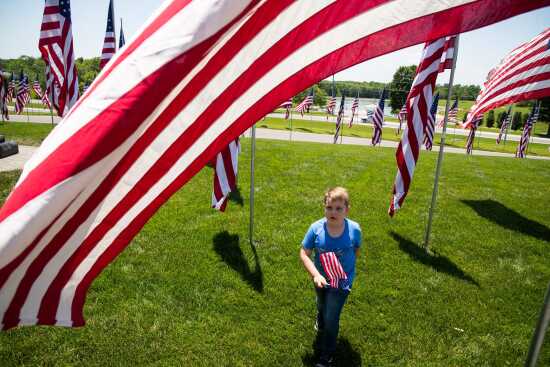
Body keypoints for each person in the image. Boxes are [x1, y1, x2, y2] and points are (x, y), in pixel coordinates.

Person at [300, 187, 362, 367]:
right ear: (324, 208)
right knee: (321, 303)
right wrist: (316, 274)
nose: (333, 212)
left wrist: (346, 270)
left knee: (332, 317)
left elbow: (356, 250)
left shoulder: (354, 229)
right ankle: (320, 316)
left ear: (347, 210)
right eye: (329, 208)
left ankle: (327, 355)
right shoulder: (316, 229)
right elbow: (304, 253)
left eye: (338, 208)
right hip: (320, 279)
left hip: (341, 283)